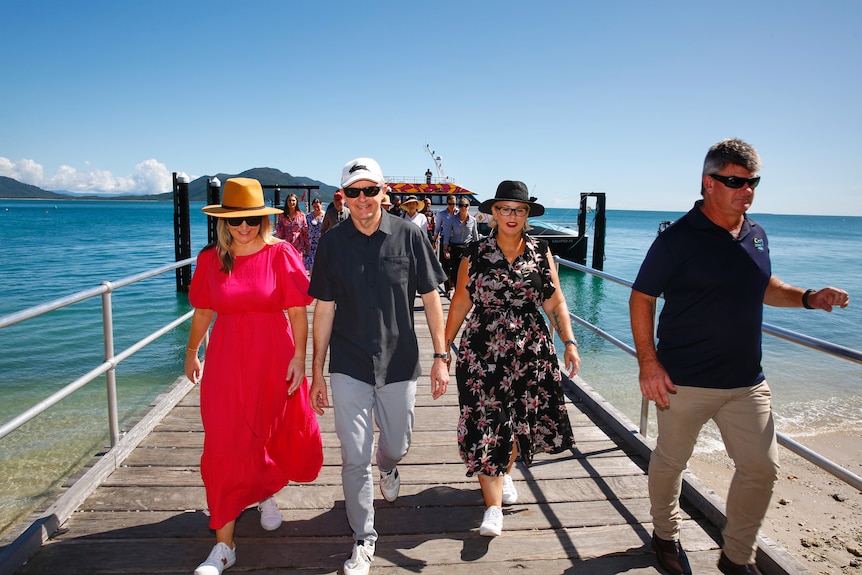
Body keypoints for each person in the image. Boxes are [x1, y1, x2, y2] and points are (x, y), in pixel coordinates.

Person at [629, 138, 851, 575]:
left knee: (762, 470)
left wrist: (809, 297)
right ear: (708, 183)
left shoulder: (756, 233)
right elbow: (642, 298)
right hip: (684, 380)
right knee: (671, 462)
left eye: (752, 182)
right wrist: (648, 364)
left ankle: (736, 557)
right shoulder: (677, 239)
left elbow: (764, 286)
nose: (745, 190)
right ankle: (665, 535)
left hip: (747, 382)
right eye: (734, 181)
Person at [308, 157, 449, 575]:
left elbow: (431, 298)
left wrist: (441, 357)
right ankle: (363, 537)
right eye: (354, 192)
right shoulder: (333, 243)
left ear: (384, 192)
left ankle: (388, 466)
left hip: (400, 362)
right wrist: (317, 370)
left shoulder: (409, 235)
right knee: (353, 457)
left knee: (397, 444)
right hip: (349, 362)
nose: (363, 199)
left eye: (371, 190)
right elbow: (324, 308)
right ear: (343, 197)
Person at [185, 177, 324, 575]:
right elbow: (204, 312)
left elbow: (298, 310)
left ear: (262, 219)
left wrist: (300, 356)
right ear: (223, 221)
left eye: (251, 220)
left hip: (273, 357)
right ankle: (224, 546)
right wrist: (192, 352)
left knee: (268, 429)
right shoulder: (211, 258)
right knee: (225, 442)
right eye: (235, 221)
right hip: (227, 361)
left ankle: (264, 492)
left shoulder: (280, 253)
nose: (243, 228)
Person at [443, 180, 580, 538]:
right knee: (487, 422)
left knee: (519, 421)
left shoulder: (540, 252)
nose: (511, 216)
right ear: (492, 214)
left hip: (530, 351)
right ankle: (492, 509)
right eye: (504, 209)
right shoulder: (474, 253)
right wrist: (442, 350)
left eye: (518, 210)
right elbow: (460, 302)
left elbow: (555, 300)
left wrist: (569, 340)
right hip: (482, 351)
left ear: (527, 215)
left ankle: (503, 471)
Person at [441, 198, 479, 297]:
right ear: (459, 207)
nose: (463, 208)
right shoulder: (452, 220)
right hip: (455, 247)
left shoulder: (473, 220)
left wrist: (477, 251)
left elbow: (475, 237)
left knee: (467, 271)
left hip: (467, 247)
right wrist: (445, 249)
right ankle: (457, 290)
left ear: (469, 207)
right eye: (461, 205)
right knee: (455, 271)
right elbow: (447, 235)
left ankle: (465, 291)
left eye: (465, 205)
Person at [433, 195, 459, 292]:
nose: (453, 206)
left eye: (454, 204)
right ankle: (448, 288)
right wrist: (434, 241)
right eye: (450, 204)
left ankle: (453, 285)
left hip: (456, 239)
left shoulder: (459, 213)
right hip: (445, 240)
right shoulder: (442, 214)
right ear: (447, 203)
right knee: (445, 265)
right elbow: (437, 229)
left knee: (455, 264)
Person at [275, 193, 309, 259]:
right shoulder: (282, 216)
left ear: (296, 202)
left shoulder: (301, 215)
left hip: (299, 245)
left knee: (298, 265)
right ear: (286, 202)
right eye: (289, 200)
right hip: (286, 244)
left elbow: (305, 230)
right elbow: (279, 230)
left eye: (293, 200)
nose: (291, 202)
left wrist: (307, 244)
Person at [304, 198, 324, 272]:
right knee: (311, 265)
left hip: (322, 243)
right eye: (314, 206)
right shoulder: (308, 216)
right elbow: (305, 229)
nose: (316, 208)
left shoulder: (325, 215)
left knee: (322, 264)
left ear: (321, 205)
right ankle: (312, 282)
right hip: (311, 243)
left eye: (318, 206)